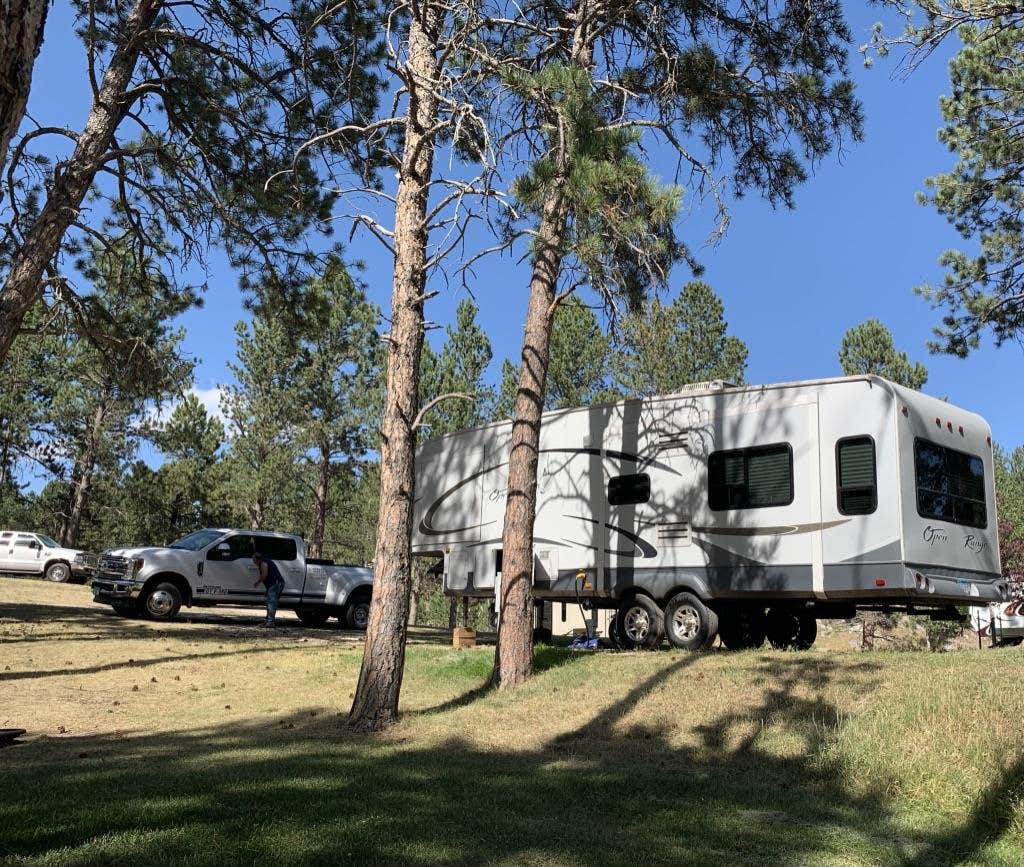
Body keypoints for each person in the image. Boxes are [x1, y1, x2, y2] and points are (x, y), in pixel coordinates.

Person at [252, 551, 285, 627]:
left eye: (254, 560)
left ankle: (270, 622)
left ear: (257, 559)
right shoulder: (265, 561)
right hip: (273, 584)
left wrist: (258, 582)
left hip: (275, 584)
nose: (253, 562)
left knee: (271, 603)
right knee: (269, 602)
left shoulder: (263, 563)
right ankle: (267, 620)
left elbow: (264, 574)